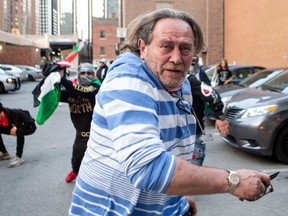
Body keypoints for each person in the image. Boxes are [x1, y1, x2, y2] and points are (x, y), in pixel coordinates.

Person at [68, 8, 270, 216]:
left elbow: (169, 150)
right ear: (143, 48)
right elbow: (148, 167)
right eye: (166, 46)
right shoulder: (129, 78)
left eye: (185, 49)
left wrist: (177, 199)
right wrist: (233, 181)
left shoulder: (178, 81)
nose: (176, 58)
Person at [58, 63, 101, 183]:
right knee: (76, 160)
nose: (86, 76)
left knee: (99, 162)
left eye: (89, 73)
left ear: (94, 75)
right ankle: (76, 171)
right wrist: (51, 80)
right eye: (83, 73)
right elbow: (58, 95)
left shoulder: (97, 88)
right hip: (81, 134)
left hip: (97, 134)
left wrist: (62, 80)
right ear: (78, 74)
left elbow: (84, 92)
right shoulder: (73, 90)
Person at [188, 56, 229, 166]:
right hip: (169, 136)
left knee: (194, 173)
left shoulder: (189, 79)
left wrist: (219, 115)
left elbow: (210, 93)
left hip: (194, 131)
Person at [0, 103, 37, 167]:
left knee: (20, 131)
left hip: (28, 127)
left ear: (2, 112)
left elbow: (31, 122)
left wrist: (16, 127)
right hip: (10, 128)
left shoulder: (15, 113)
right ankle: (5, 153)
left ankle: (18, 157)